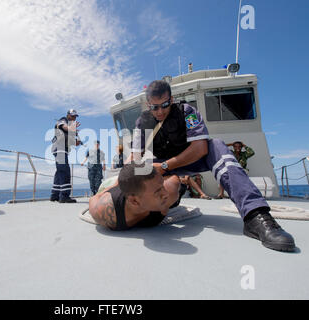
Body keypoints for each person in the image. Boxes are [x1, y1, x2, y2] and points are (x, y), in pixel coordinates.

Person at [130, 80, 295, 252]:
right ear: (148, 105)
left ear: (171, 100)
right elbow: (136, 158)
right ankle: (172, 196)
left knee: (216, 145)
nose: (160, 111)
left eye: (164, 105)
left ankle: (256, 215)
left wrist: (164, 165)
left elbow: (200, 148)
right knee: (138, 169)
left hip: (190, 159)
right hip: (161, 166)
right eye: (154, 107)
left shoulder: (186, 112)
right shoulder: (143, 123)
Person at [89, 163, 180, 230]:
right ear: (135, 201)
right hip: (114, 185)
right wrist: (115, 185)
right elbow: (94, 198)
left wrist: (162, 166)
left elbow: (175, 178)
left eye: (162, 186)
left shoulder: (170, 193)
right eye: (157, 192)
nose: (165, 194)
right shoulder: (106, 212)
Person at [50, 109, 82, 203]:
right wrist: (71, 129)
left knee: (59, 172)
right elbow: (63, 127)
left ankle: (54, 195)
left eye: (75, 116)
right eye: (72, 116)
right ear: (68, 115)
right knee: (65, 171)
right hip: (59, 149)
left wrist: (77, 142)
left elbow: (70, 141)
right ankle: (64, 196)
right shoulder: (63, 120)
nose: (74, 118)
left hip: (61, 150)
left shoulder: (70, 128)